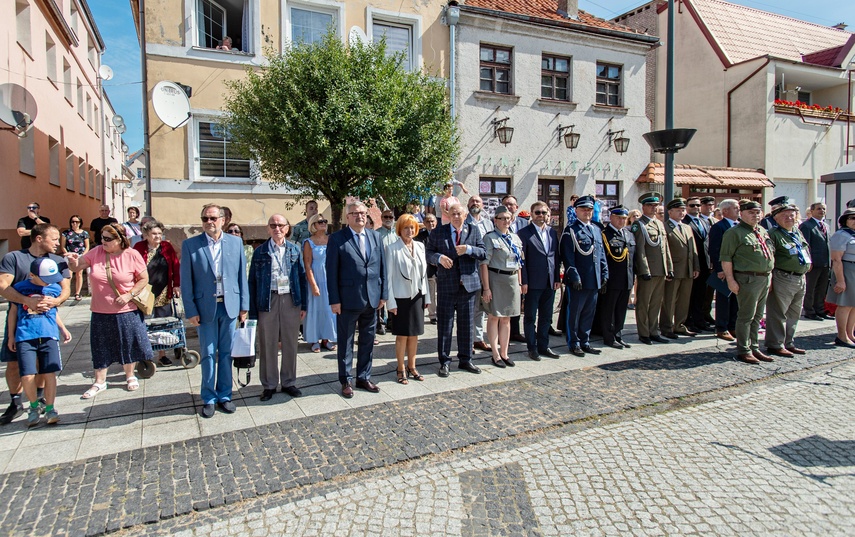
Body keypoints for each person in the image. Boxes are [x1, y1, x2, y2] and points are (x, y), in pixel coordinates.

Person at [66, 224, 154, 397]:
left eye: (107, 238)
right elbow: (77, 267)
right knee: (100, 346)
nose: (103, 241)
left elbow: (144, 279)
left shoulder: (132, 254)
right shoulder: (97, 252)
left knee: (128, 343)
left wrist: (129, 295)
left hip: (126, 309)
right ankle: (99, 382)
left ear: (120, 239)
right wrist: (72, 261)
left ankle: (130, 376)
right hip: (100, 310)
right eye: (102, 237)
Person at [181, 204, 249, 418]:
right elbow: (186, 281)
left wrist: (244, 306)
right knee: (209, 353)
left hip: (229, 306)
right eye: (205, 219)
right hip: (205, 308)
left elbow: (241, 277)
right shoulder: (191, 245)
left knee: (227, 353)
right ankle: (209, 397)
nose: (209, 222)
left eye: (212, 218)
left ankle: (225, 395)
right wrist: (190, 310)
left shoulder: (236, 243)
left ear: (222, 220)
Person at [0, 224, 70, 425]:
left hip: (45, 323)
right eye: (54, 238)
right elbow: (3, 286)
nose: (58, 243)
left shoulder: (57, 260)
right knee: (14, 364)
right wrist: (26, 300)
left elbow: (65, 288)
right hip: (20, 322)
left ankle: (39, 399)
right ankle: (15, 403)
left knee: (43, 366)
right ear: (39, 238)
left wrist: (56, 302)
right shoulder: (14, 258)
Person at [326, 201, 386, 397]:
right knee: (345, 342)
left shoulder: (375, 236)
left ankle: (363, 377)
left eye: (362, 213)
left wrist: (383, 294)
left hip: (372, 298)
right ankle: (346, 380)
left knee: (368, 340)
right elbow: (331, 272)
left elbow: (382, 268)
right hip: (347, 299)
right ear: (347, 217)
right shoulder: (337, 239)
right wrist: (334, 300)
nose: (359, 216)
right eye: (354, 213)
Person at [249, 214, 307, 402]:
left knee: (291, 342)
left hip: (290, 299)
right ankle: (269, 384)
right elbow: (252, 282)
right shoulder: (261, 251)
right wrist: (252, 310)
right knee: (268, 343)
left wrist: (303, 304)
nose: (277, 229)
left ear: (287, 228)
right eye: (273, 225)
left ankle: (289, 382)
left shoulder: (294, 249)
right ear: (268, 229)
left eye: (281, 225)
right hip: (268, 300)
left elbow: (301, 278)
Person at [426, 203, 486, 377]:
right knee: (445, 326)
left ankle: (466, 360)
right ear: (448, 215)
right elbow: (428, 253)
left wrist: (469, 249)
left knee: (467, 326)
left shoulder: (473, 230)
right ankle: (444, 361)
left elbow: (483, 252)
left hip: (467, 287)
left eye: (459, 213)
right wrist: (439, 258)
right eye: (453, 213)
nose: (456, 216)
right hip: (446, 286)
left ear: (465, 214)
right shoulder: (439, 232)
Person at [720, 200, 775, 364]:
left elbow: (769, 254)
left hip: (764, 277)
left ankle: (754, 347)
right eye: (751, 212)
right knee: (746, 316)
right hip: (747, 278)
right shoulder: (734, 233)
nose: (755, 215)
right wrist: (730, 280)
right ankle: (744, 349)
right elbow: (726, 258)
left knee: (758, 316)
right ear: (742, 214)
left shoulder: (762, 231)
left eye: (758, 212)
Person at [561, 196, 608, 356]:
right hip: (579, 280)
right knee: (575, 313)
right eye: (583, 209)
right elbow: (568, 256)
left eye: (589, 209)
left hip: (594, 279)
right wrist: (574, 276)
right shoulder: (571, 230)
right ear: (576, 211)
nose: (587, 212)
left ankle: (585, 340)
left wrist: (604, 273)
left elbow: (601, 254)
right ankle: (574, 343)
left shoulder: (596, 229)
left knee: (589, 312)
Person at [385, 214, 430, 383]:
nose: (409, 231)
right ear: (399, 229)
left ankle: (412, 366)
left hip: (418, 295)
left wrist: (427, 297)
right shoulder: (392, 248)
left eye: (412, 227)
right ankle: (400, 368)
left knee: (415, 334)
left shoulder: (420, 246)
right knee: (402, 335)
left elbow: (423, 274)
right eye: (405, 227)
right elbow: (388, 277)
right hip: (400, 297)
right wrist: (391, 302)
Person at [133, 220, 181, 366]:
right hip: (143, 291)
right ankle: (145, 353)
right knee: (143, 323)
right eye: (154, 234)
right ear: (146, 235)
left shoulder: (167, 247)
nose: (158, 236)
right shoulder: (138, 247)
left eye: (160, 233)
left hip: (163, 290)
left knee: (163, 322)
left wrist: (176, 285)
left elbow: (175, 265)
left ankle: (162, 354)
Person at [764, 204, 810, 356]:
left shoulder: (796, 232)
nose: (789, 218)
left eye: (792, 215)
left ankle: (788, 342)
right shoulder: (773, 234)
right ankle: (775, 344)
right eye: (785, 215)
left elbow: (803, 249)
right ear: (776, 218)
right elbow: (769, 258)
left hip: (800, 277)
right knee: (778, 313)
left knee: (794, 313)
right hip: (783, 277)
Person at [480, 206, 523, 367]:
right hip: (495, 279)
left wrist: (519, 282)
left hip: (512, 280)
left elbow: (519, 263)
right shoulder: (490, 238)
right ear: (495, 220)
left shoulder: (515, 238)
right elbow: (484, 263)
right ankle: (495, 354)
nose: (505, 221)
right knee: (494, 316)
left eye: (508, 218)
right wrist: (486, 287)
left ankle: (504, 353)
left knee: (507, 318)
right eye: (502, 218)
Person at [518, 201, 560, 360]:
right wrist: (525, 282)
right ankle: (532, 347)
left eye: (543, 212)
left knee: (546, 317)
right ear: (532, 214)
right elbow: (522, 261)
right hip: (532, 283)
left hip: (550, 282)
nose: (541, 215)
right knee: (530, 317)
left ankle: (544, 346)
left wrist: (556, 277)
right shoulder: (524, 233)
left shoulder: (551, 232)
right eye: (537, 212)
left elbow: (555, 256)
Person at [631, 192, 673, 345]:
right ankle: (644, 333)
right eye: (650, 205)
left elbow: (665, 248)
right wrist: (644, 270)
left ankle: (653, 331)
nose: (654, 208)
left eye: (656, 205)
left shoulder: (659, 224)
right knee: (644, 303)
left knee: (656, 303)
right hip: (648, 271)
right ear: (643, 207)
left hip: (660, 270)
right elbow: (640, 250)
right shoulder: (639, 224)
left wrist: (669, 267)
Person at [660, 198, 700, 339]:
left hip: (687, 269)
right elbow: (665, 250)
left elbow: (693, 249)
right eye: (678, 210)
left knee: (684, 300)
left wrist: (696, 266)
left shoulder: (687, 227)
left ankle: (679, 325)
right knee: (669, 300)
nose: (682, 213)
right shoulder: (665, 227)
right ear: (670, 212)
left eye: (683, 210)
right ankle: (666, 326)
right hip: (674, 269)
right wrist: (667, 269)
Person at [600, 206, 635, 349]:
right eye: (619, 218)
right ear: (612, 217)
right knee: (609, 310)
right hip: (612, 279)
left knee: (621, 309)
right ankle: (608, 336)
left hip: (627, 278)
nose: (621, 221)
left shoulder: (629, 234)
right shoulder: (605, 235)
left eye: (624, 218)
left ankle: (618, 334)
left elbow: (633, 257)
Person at [302, 214, 336, 353]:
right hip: (316, 277)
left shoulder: (332, 240)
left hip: (330, 277)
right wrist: (313, 284)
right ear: (313, 225)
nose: (323, 223)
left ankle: (327, 338)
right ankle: (314, 339)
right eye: (320, 221)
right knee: (315, 309)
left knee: (329, 309)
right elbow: (307, 264)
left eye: (324, 221)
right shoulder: (308, 242)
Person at [709, 199, 740, 341]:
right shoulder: (719, 227)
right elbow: (714, 250)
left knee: (736, 299)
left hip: (738, 268)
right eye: (735, 208)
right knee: (724, 299)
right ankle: (721, 327)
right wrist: (719, 269)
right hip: (724, 269)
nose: (738, 210)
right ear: (725, 211)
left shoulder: (739, 225)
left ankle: (733, 325)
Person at [466, 196, 495, 353]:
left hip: (487, 270)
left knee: (482, 308)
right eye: (472, 201)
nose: (475, 203)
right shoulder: (464, 222)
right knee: (470, 307)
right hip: (471, 270)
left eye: (478, 201)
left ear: (482, 204)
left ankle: (478, 339)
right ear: (468, 205)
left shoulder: (488, 223)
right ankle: (468, 340)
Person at [826, 207, 855, 347]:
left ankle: (850, 334)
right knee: (845, 304)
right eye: (852, 218)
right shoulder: (841, 235)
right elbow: (836, 259)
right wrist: (841, 281)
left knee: (854, 305)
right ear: (845, 220)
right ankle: (842, 336)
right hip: (847, 269)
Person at [502, 195, 529, 343]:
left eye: (511, 204)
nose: (509, 207)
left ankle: (516, 331)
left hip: (522, 266)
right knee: (505, 302)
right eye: (506, 204)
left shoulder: (524, 223)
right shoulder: (497, 224)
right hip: (504, 269)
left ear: (517, 207)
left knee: (518, 300)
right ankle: (503, 332)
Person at [683, 197, 713, 332]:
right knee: (691, 295)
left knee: (702, 295)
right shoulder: (684, 223)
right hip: (692, 264)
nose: (696, 208)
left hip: (705, 264)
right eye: (692, 205)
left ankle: (699, 320)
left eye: (698, 205)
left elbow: (707, 243)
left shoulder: (704, 221)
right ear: (687, 207)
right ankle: (689, 321)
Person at [800, 203, 832, 320]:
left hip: (825, 263)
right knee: (810, 288)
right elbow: (805, 245)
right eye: (819, 209)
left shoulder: (826, 226)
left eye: (824, 209)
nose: (822, 211)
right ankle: (809, 311)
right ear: (812, 211)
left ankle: (820, 310)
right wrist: (809, 262)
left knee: (822, 288)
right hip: (813, 263)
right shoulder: (806, 226)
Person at [416, 213, 438, 324]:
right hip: (429, 270)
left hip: (442, 269)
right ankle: (432, 315)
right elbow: (420, 253)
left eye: (432, 221)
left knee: (442, 294)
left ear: (436, 222)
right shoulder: (419, 237)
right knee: (431, 293)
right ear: (424, 223)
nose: (431, 223)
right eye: (428, 221)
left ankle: (442, 313)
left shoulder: (441, 234)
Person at [61, 214, 89, 300]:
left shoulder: (84, 233)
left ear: (80, 223)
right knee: (69, 274)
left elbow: (87, 246)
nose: (74, 223)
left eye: (77, 222)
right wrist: (68, 254)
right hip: (69, 255)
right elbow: (63, 246)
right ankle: (67, 292)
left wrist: (82, 256)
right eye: (72, 222)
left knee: (79, 274)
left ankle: (77, 293)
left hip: (80, 255)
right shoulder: (66, 233)